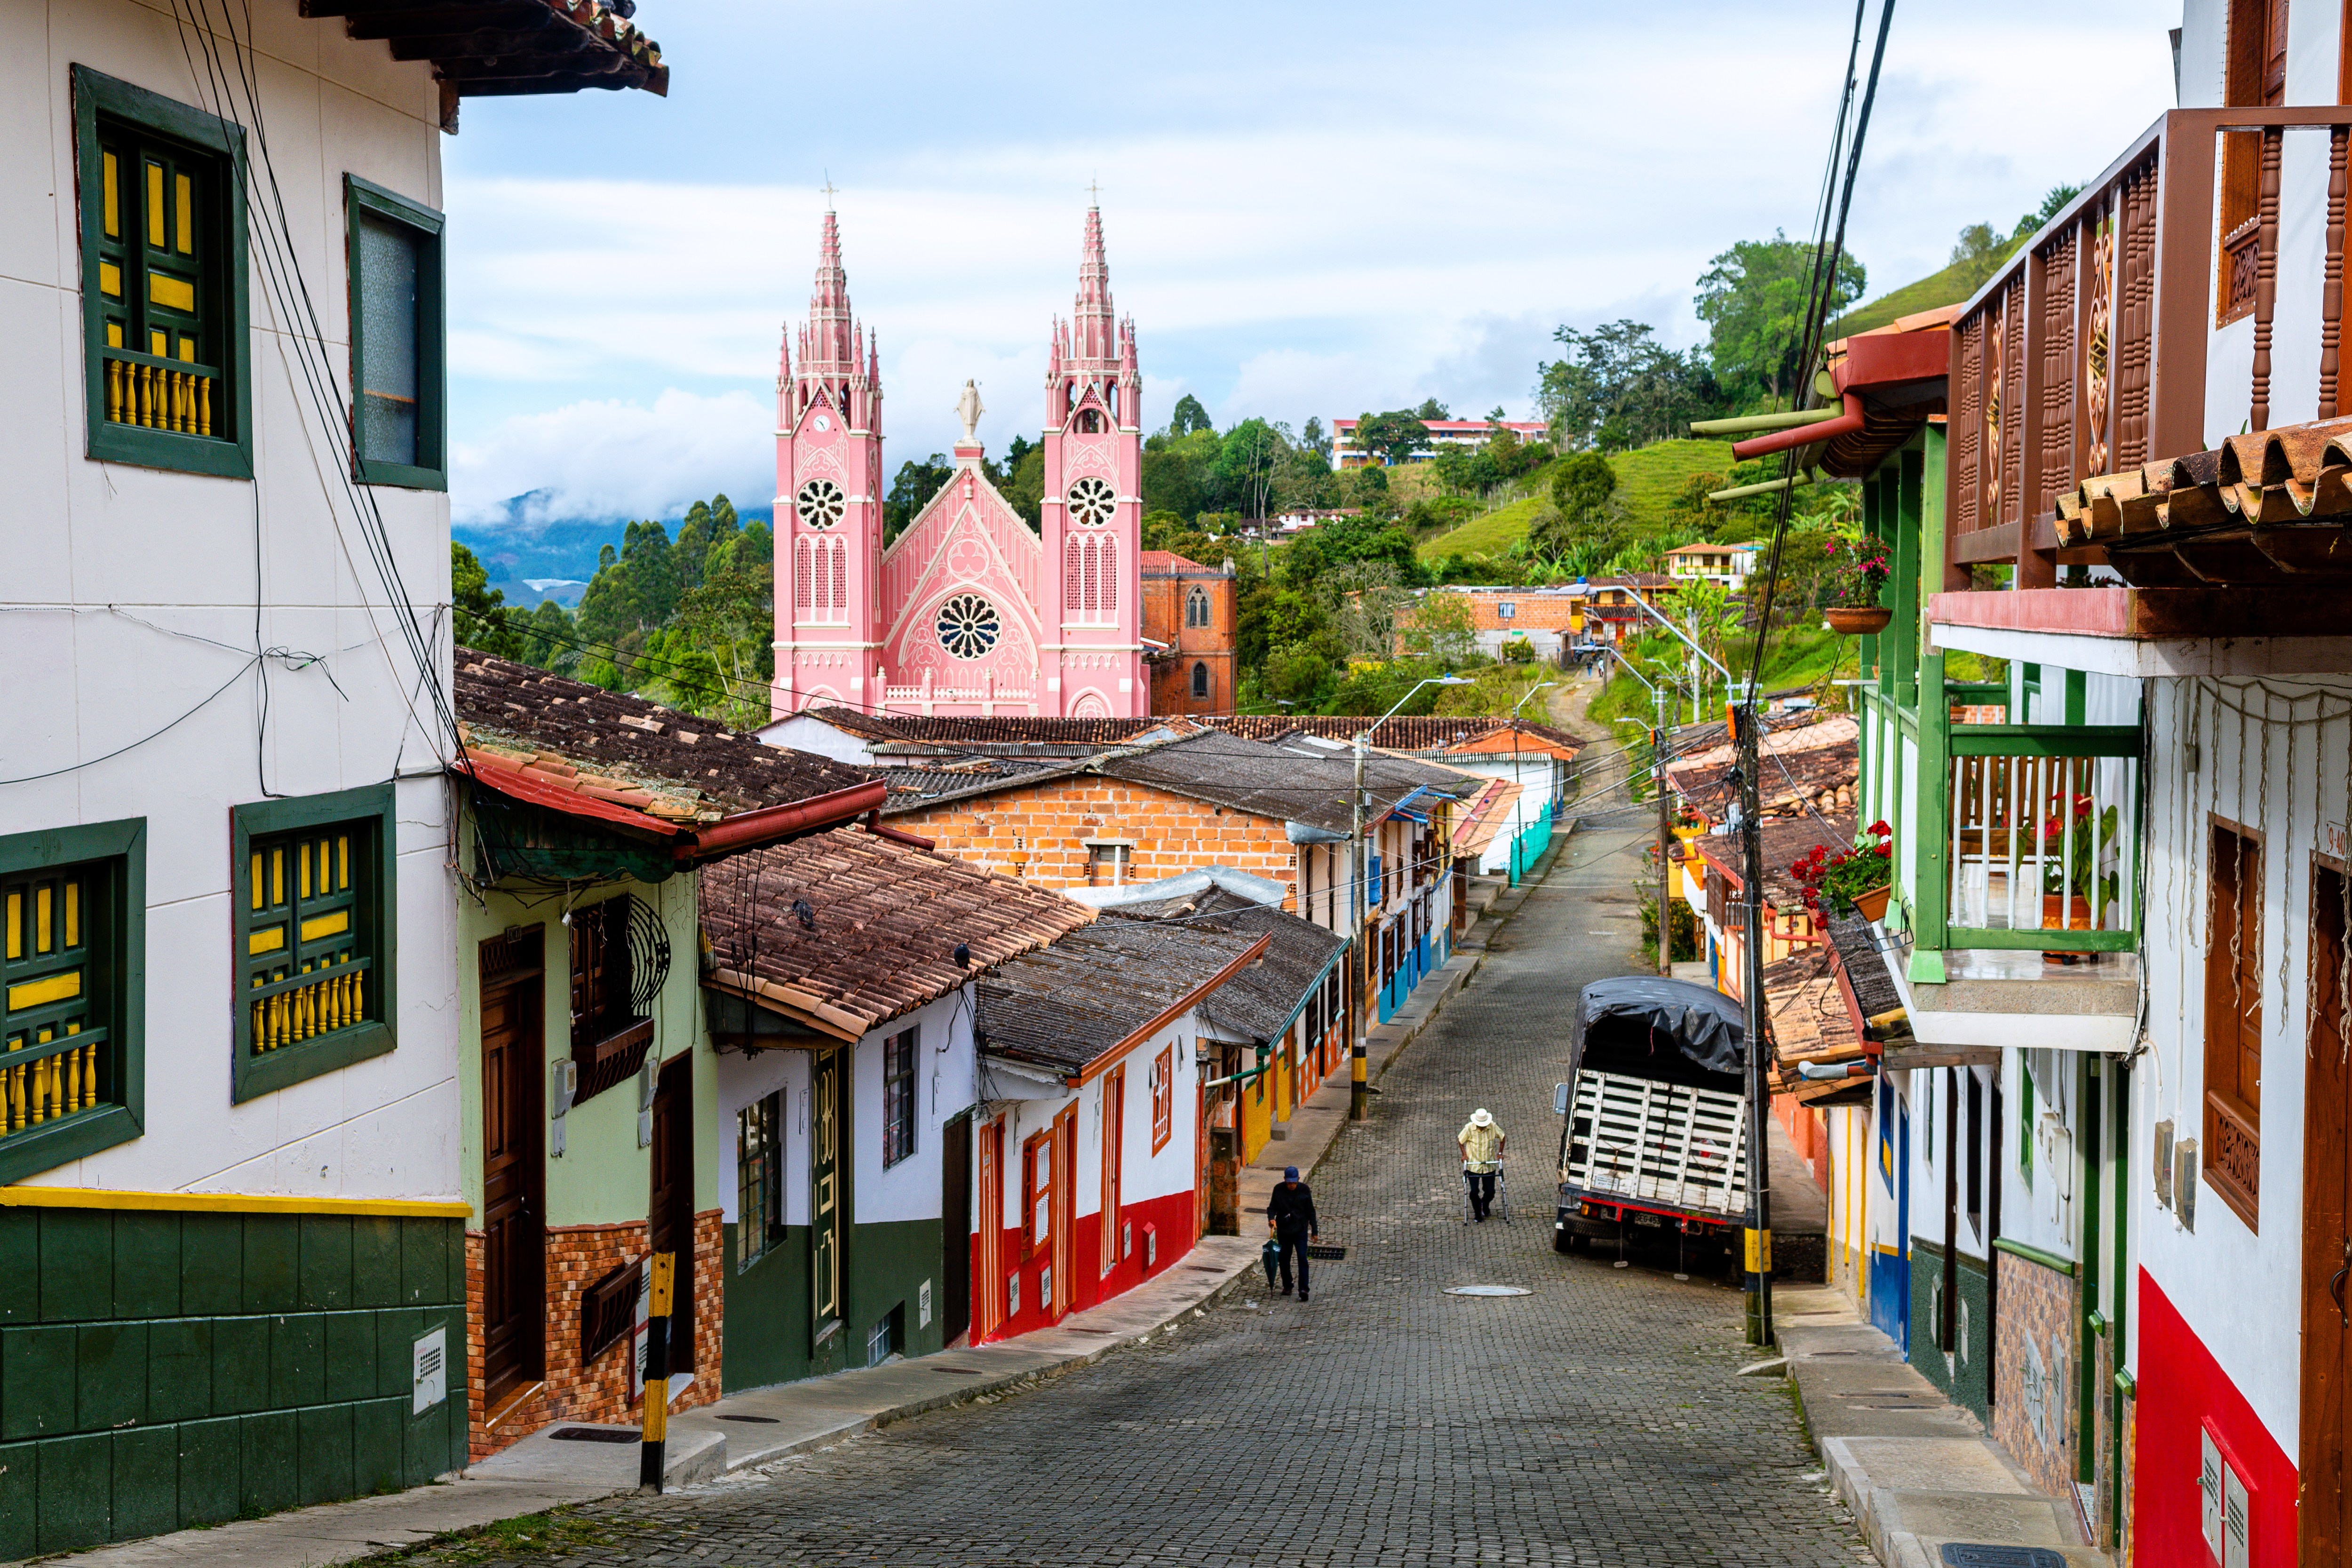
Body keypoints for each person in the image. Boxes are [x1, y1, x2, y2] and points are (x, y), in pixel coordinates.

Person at [1265, 1165, 1319, 1301]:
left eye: (1293, 1183)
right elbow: (1272, 1208)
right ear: (1285, 1180)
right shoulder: (1278, 1190)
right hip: (1284, 1231)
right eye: (1289, 1183)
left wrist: (1314, 1231)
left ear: (1298, 1180)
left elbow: (1311, 1212)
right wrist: (1271, 1219)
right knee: (1284, 1259)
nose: (1291, 1185)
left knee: (1302, 1258)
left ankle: (1304, 1289)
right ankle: (1287, 1285)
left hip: (1300, 1230)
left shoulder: (1305, 1190)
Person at [1458, 1108, 1505, 1221]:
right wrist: (1464, 1155)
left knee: (1490, 1191)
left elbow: (1503, 1137)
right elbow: (1460, 1140)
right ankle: (1477, 1212)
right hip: (1474, 1166)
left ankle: (1485, 1204)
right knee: (1474, 1192)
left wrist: (1500, 1153)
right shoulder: (1469, 1128)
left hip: (1489, 1166)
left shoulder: (1493, 1127)